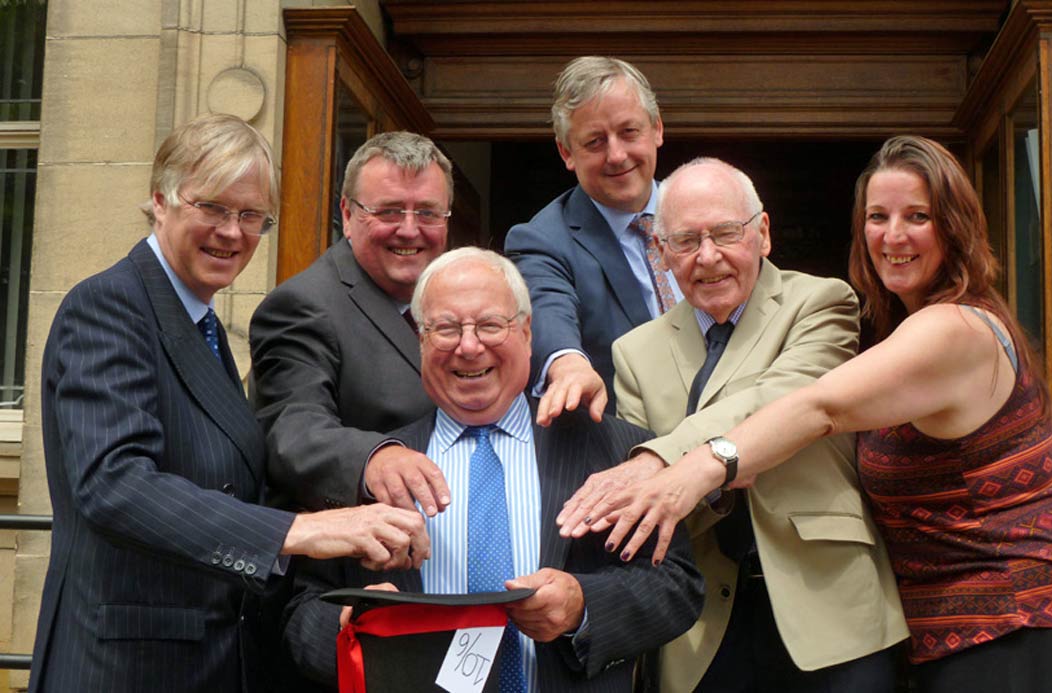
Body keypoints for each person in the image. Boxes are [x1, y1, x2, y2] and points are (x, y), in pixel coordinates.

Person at [567, 136, 1052, 693]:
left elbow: (817, 404)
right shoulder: (899, 329)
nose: (893, 235)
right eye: (878, 216)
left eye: (918, 216)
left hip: (1020, 617)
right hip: (950, 631)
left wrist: (687, 465)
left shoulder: (951, 328)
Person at [28, 113, 429, 693]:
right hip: (125, 667)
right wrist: (296, 532)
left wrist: (342, 557)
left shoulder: (199, 323)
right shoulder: (110, 306)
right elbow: (114, 485)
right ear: (160, 200)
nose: (232, 232)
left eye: (251, 216)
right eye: (212, 207)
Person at [283, 248, 703, 692]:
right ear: (420, 338)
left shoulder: (610, 448)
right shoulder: (371, 466)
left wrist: (583, 606)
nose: (468, 346)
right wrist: (349, 627)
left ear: (526, 331)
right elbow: (302, 613)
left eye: (489, 325)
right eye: (445, 328)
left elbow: (677, 586)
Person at [559, 158, 906, 692]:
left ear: (762, 233)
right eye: (685, 240)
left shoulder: (820, 302)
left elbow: (785, 397)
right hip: (701, 623)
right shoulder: (635, 354)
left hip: (830, 606)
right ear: (661, 251)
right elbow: (646, 507)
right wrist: (713, 487)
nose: (708, 257)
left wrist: (666, 458)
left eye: (725, 233)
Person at [250, 131, 453, 515]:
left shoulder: (454, 296)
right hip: (359, 563)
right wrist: (374, 459)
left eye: (427, 212)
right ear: (347, 214)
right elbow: (294, 430)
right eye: (389, 211)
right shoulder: (302, 305)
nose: (409, 229)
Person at [504, 56, 682, 424]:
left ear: (657, 129)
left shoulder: (711, 206)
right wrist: (568, 364)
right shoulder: (542, 240)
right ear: (567, 152)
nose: (616, 155)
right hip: (630, 449)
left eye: (629, 132)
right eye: (595, 142)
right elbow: (547, 308)